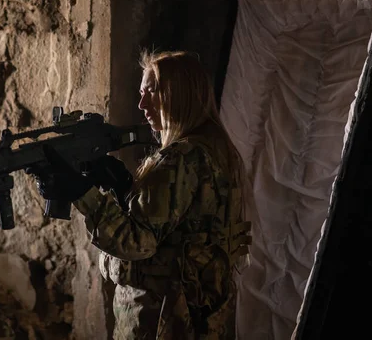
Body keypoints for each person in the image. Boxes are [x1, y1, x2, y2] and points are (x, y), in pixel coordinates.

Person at [29, 51, 251, 339]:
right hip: (203, 313)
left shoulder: (179, 158)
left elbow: (136, 243)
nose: (141, 104)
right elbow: (181, 228)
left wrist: (83, 193)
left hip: (164, 319)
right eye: (140, 93)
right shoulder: (216, 149)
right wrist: (124, 189)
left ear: (180, 94)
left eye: (152, 92)